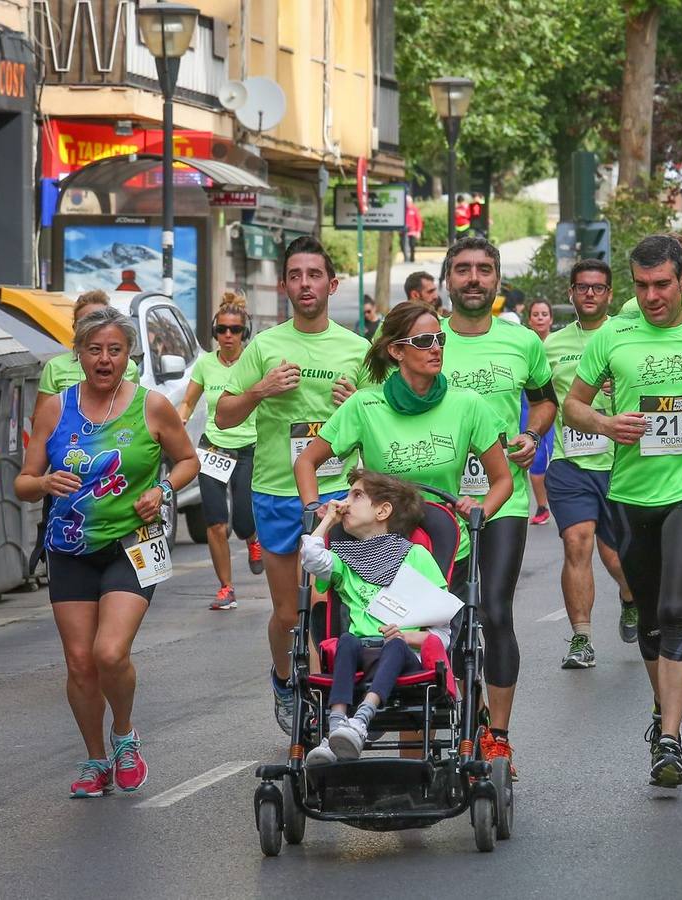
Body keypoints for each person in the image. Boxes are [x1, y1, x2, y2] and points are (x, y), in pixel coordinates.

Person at [563, 234, 682, 788]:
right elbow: (573, 404)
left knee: (676, 607)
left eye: (662, 284)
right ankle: (663, 713)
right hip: (630, 492)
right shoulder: (615, 333)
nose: (652, 296)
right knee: (649, 620)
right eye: (641, 286)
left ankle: (670, 739)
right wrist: (606, 425)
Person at [14, 305, 198, 797]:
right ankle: (95, 759)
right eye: (94, 350)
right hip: (70, 548)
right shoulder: (56, 407)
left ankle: (124, 735)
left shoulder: (152, 406)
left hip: (131, 545)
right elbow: (23, 482)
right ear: (79, 355)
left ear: (128, 355)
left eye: (114, 350)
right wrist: (44, 481)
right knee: (79, 662)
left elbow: (188, 462)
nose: (104, 359)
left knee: (109, 652)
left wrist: (162, 489)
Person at [216, 235, 372, 735]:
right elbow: (223, 413)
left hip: (339, 497)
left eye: (315, 275)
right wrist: (260, 390)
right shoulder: (263, 346)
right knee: (288, 612)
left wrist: (357, 402)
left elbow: (381, 417)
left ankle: (332, 705)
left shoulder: (357, 349)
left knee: (333, 608)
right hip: (278, 493)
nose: (306, 284)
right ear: (284, 285)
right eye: (296, 276)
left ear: (332, 283)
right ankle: (285, 682)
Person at [293, 298, 512, 614]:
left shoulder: (468, 404)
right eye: (424, 342)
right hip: (375, 548)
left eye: (440, 339)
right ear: (396, 351)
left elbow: (502, 479)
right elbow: (305, 461)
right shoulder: (364, 406)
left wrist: (479, 511)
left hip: (446, 549)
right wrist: (314, 506)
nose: (436, 348)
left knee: (445, 649)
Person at [436, 236, 556, 767]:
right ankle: (471, 715)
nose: (474, 279)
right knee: (452, 613)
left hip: (500, 495)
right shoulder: (424, 337)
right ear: (448, 278)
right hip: (434, 498)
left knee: (493, 608)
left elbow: (546, 399)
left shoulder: (522, 341)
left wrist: (531, 436)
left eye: (484, 270)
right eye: (463, 269)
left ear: (498, 280)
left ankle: (497, 735)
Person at [301, 471, 456, 765]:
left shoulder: (417, 557)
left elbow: (443, 629)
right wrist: (327, 521)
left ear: (383, 510)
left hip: (403, 655)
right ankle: (336, 727)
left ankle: (361, 721)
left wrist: (408, 636)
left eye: (355, 496)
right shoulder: (345, 560)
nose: (344, 503)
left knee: (395, 645)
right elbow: (311, 558)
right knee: (346, 640)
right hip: (361, 652)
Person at [543, 261, 638, 668]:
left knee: (617, 558)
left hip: (623, 462)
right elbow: (540, 398)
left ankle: (630, 596)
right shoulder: (551, 346)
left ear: (610, 294)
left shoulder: (628, 338)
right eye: (582, 288)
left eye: (598, 288)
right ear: (571, 293)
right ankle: (581, 638)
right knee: (576, 542)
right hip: (571, 461)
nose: (590, 295)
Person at [177, 292, 262, 611]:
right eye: (222, 329)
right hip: (213, 448)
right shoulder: (205, 364)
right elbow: (188, 400)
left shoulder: (253, 362)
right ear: (215, 332)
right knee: (215, 522)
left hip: (249, 448)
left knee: (241, 521)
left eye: (235, 330)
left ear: (245, 332)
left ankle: (252, 538)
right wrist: (180, 417)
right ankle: (226, 587)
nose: (228, 335)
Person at [37, 291, 140, 399]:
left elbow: (136, 408)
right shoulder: (54, 367)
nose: (95, 327)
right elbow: (42, 413)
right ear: (75, 327)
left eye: (101, 320)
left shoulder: (129, 367)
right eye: (86, 322)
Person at [524, 299, 557, 526]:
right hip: (527, 408)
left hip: (554, 409)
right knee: (535, 459)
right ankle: (542, 505)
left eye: (544, 314)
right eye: (535, 314)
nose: (540, 318)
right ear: (529, 319)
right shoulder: (524, 344)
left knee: (554, 457)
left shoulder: (558, 345)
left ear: (551, 319)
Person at [404, 196, 423, 263]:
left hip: (413, 232)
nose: (408, 204)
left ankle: (412, 259)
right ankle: (406, 258)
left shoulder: (414, 209)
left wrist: (418, 231)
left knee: (412, 245)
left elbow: (419, 221)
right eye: (406, 202)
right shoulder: (403, 210)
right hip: (404, 231)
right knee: (404, 245)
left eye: (409, 202)